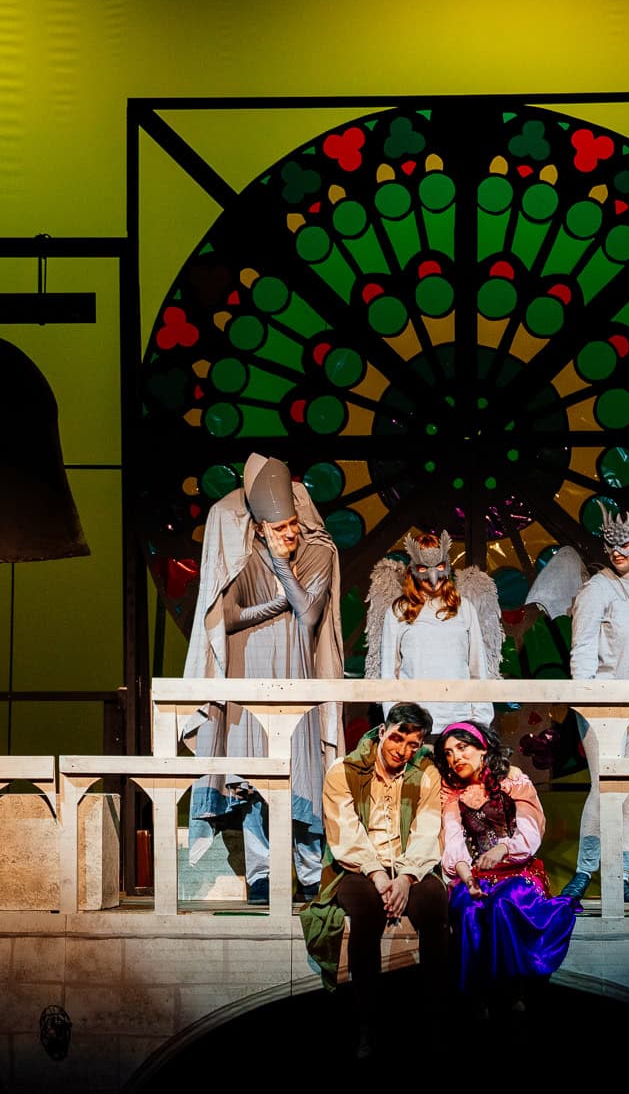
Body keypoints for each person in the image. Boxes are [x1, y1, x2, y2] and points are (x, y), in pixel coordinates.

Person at [181, 453, 344, 905]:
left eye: (292, 524)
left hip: (297, 674)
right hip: (248, 672)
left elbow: (309, 614)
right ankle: (262, 875)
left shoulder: (318, 551)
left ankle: (309, 873)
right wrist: (277, 602)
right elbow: (227, 616)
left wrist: (281, 564)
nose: (289, 534)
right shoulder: (241, 556)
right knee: (253, 780)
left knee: (303, 775)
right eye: (279, 528)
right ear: (258, 527)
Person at [303, 702, 451, 1059]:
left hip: (410, 866)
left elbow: (428, 830)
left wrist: (406, 878)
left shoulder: (425, 773)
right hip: (357, 867)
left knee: (435, 905)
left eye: (413, 744)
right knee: (367, 913)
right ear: (383, 731)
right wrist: (378, 874)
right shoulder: (345, 770)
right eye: (397, 739)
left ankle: (436, 1018)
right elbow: (345, 832)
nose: (403, 750)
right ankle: (366, 1022)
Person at [560, 506, 629, 903]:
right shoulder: (597, 590)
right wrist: (587, 699)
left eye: (625, 544)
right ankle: (585, 871)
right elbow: (583, 648)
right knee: (606, 787)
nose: (617, 551)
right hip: (604, 709)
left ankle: (620, 876)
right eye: (610, 544)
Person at [436, 720, 577, 1012]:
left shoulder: (512, 779)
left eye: (462, 748)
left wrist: (503, 849)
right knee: (465, 904)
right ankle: (475, 1000)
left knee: (504, 903)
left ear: (482, 749)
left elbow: (531, 827)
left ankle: (515, 992)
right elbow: (452, 840)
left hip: (519, 870)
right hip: (477, 874)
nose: (455, 757)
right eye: (449, 753)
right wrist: (467, 878)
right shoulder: (452, 793)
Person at [365, 529, 501, 728]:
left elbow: (477, 667)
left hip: (460, 721)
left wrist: (480, 721)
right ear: (413, 569)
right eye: (424, 569)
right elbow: (389, 672)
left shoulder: (464, 608)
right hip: (415, 723)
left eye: (439, 567)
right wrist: (397, 721)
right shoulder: (398, 611)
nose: (433, 577)